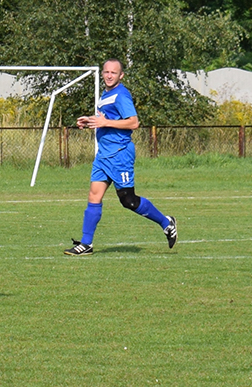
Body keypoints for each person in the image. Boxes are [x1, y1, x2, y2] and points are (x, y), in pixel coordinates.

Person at [64, 58, 177, 256]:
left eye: (113, 73)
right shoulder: (106, 94)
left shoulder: (122, 95)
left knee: (128, 201)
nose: (109, 75)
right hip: (104, 155)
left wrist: (104, 123)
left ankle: (166, 222)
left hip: (119, 154)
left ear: (121, 75)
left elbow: (133, 123)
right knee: (94, 196)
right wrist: (90, 121)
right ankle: (86, 244)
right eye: (106, 72)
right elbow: (107, 120)